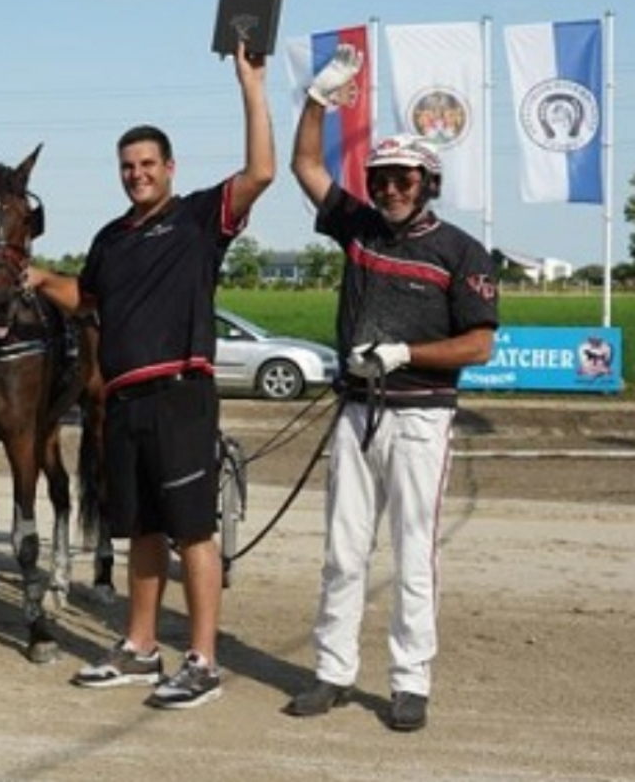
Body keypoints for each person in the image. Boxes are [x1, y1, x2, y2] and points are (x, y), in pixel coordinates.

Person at [26, 42, 273, 709]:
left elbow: (262, 171)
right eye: (127, 167)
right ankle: (139, 648)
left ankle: (203, 660)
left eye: (147, 165)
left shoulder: (197, 219)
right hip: (123, 401)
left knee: (192, 528)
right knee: (140, 530)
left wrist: (251, 84)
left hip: (181, 396)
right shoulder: (110, 238)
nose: (137, 174)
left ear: (170, 167)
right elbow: (90, 299)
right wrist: (42, 279)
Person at [285, 45, 498, 732]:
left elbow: (480, 342)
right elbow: (306, 167)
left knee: (412, 556)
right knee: (343, 552)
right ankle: (332, 673)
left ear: (427, 180)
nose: (389, 188)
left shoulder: (461, 252)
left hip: (421, 419)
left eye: (402, 178)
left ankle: (410, 682)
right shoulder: (360, 227)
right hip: (356, 413)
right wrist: (317, 102)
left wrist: (406, 351)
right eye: (380, 178)